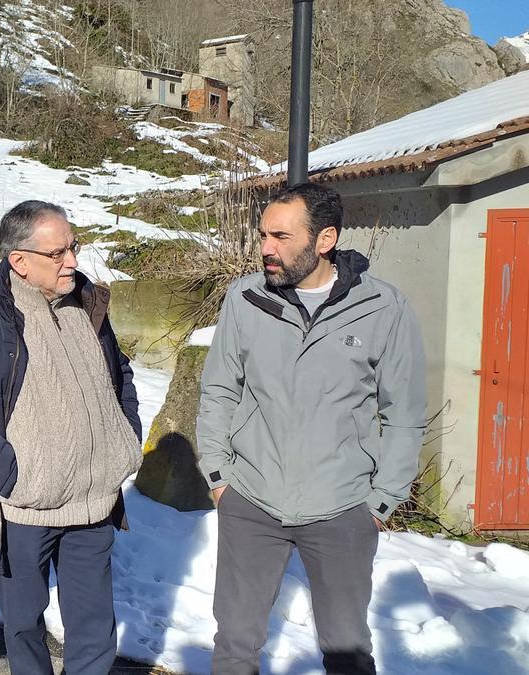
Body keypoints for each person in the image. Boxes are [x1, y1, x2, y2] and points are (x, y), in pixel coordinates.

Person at [197, 182, 427, 675]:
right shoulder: (246, 298)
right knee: (234, 646)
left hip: (342, 508)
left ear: (325, 240)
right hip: (252, 499)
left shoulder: (383, 308)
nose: (265, 248)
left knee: (346, 652)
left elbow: (405, 414)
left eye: (280, 236)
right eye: (263, 235)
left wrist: (381, 502)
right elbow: (219, 390)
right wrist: (219, 477)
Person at [0, 199, 142, 673]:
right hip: (23, 507)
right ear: (18, 260)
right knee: (23, 626)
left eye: (74, 247)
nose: (73, 261)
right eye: (58, 253)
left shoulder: (85, 301)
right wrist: (11, 472)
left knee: (95, 626)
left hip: (93, 500)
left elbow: (118, 373)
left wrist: (123, 435)